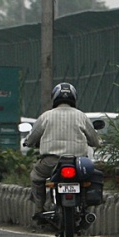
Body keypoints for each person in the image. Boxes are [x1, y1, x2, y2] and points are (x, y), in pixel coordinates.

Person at [23, 82, 100, 224]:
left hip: (51, 162)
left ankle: (39, 210)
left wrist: (27, 142)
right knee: (89, 178)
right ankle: (85, 208)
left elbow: (32, 138)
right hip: (78, 163)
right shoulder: (81, 116)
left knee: (36, 177)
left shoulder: (46, 116)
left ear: (55, 97)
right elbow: (95, 141)